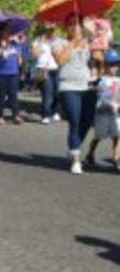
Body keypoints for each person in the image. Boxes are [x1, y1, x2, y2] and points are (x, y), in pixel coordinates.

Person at [53, 14, 94, 174]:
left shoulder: (87, 41)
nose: (74, 27)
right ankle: (76, 160)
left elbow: (96, 59)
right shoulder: (59, 42)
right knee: (75, 121)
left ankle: (73, 146)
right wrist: (73, 43)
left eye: (77, 24)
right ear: (65, 27)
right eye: (71, 24)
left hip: (87, 86)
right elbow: (60, 61)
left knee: (87, 121)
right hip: (68, 86)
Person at [84, 51, 119, 171]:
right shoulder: (100, 79)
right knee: (99, 136)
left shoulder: (119, 79)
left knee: (117, 135)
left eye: (116, 64)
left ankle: (116, 157)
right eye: (110, 64)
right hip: (102, 111)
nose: (113, 67)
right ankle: (90, 154)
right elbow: (88, 87)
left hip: (115, 111)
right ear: (105, 65)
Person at [0, 25, 23, 125]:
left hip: (13, 72)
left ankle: (16, 115)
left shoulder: (14, 44)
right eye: (6, 31)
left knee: (13, 94)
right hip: (0, 73)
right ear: (1, 32)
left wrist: (19, 59)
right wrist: (1, 48)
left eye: (9, 31)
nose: (8, 34)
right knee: (1, 95)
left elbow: (19, 57)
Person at [31, 24, 60, 124]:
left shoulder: (57, 40)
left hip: (56, 69)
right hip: (43, 69)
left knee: (56, 93)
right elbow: (35, 54)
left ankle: (54, 111)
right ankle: (45, 115)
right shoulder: (38, 40)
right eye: (48, 29)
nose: (51, 32)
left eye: (52, 29)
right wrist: (42, 41)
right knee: (47, 94)